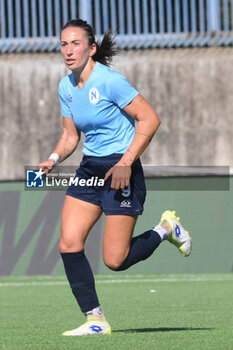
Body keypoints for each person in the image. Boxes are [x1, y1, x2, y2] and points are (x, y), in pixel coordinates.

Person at [38, 19, 191, 336]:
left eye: (76, 43)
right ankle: (95, 320)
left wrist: (126, 161)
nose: (68, 50)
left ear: (91, 48)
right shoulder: (66, 87)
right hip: (91, 170)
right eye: (64, 44)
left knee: (115, 259)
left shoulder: (109, 81)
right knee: (68, 243)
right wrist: (51, 160)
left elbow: (150, 119)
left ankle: (166, 229)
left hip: (123, 169)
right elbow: (70, 137)